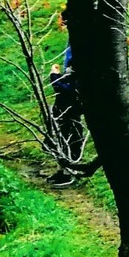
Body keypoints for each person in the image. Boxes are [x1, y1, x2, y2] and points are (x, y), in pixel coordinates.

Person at [47, 42, 86, 187]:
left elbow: (70, 86)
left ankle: (70, 171)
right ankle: (63, 169)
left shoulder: (80, 47)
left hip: (71, 101)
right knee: (63, 132)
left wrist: (55, 77)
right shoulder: (74, 43)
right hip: (66, 100)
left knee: (70, 134)